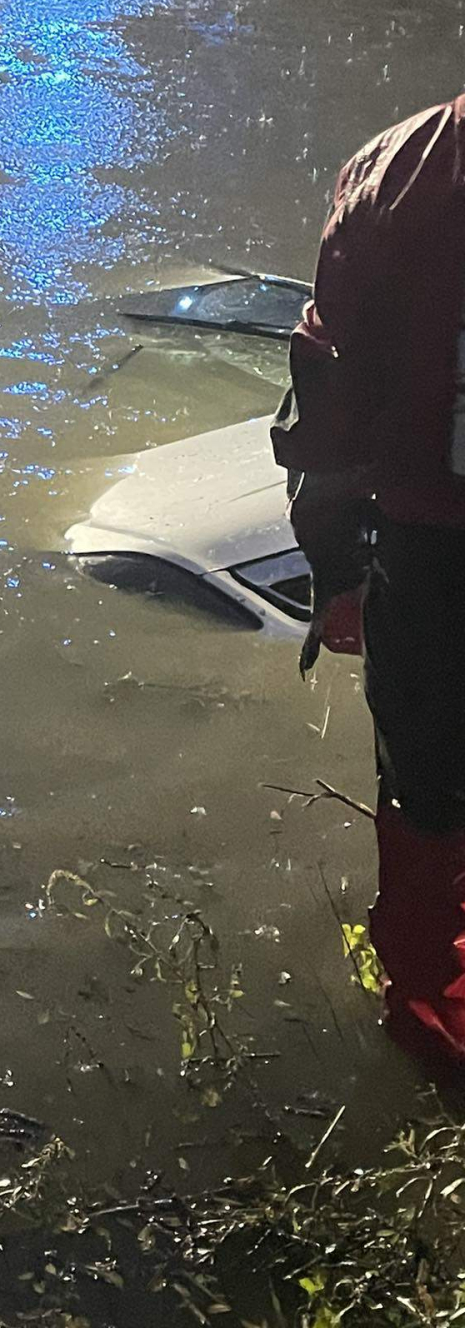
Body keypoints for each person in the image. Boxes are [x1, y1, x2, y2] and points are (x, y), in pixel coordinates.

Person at [271, 92, 465, 1066]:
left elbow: (328, 394)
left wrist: (336, 572)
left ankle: (429, 1006)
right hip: (427, 547)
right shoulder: (397, 173)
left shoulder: (394, 171)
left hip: (429, 560)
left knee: (427, 786)